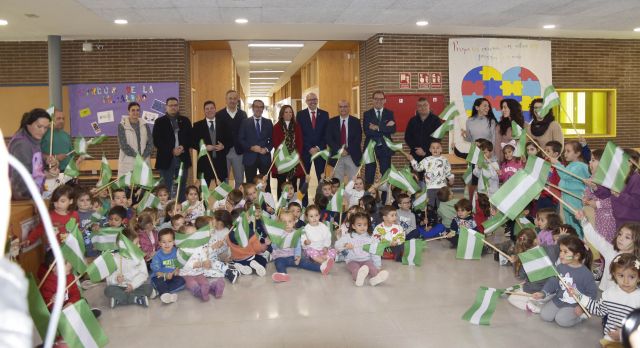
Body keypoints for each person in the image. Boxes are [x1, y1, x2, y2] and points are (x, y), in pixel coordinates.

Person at [574, 253, 640, 346]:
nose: (626, 281)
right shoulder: (609, 294)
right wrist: (579, 296)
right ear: (614, 275)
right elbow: (599, 310)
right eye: (621, 275)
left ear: (638, 278)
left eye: (631, 277)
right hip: (612, 336)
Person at [532, 235, 597, 328]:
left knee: (561, 320)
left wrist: (582, 307)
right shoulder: (560, 267)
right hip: (559, 299)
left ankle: (581, 317)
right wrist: (543, 293)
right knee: (545, 315)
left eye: (565, 252)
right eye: (561, 251)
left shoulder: (586, 274)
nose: (561, 254)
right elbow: (553, 282)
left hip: (575, 304)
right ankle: (561, 310)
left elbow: (592, 293)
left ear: (577, 255)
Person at [9, 108, 55, 200]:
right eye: (39, 126)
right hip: (23, 197)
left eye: (46, 128)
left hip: (33, 193)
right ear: (28, 124)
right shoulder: (22, 144)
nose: (42, 131)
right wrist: (46, 175)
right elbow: (21, 176)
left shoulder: (33, 138)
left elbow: (34, 165)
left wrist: (46, 163)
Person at [152, 97, 192, 202]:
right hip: (166, 158)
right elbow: (157, 141)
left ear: (178, 107)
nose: (173, 107)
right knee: (165, 187)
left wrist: (183, 146)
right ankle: (165, 211)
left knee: (182, 185)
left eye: (175, 105)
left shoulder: (185, 120)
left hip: (182, 157)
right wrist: (172, 150)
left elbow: (190, 138)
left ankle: (180, 209)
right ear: (166, 107)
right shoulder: (160, 122)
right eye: (171, 105)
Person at [335, 212, 389, 287]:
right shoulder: (348, 236)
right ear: (353, 226)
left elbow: (375, 252)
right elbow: (337, 245)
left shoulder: (370, 238)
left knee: (373, 269)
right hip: (352, 260)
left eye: (365, 225)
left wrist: (378, 267)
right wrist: (345, 245)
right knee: (355, 270)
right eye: (359, 225)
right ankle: (358, 279)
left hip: (367, 260)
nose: (362, 227)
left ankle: (375, 279)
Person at [549, 140, 590, 237]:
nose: (565, 154)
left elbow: (566, 176)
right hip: (567, 200)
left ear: (577, 153)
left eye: (568, 151)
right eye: (565, 151)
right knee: (570, 226)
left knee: (579, 224)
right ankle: (574, 241)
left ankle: (582, 243)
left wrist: (557, 164)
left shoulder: (581, 166)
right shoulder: (570, 165)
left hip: (576, 200)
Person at [105, 230, 152, 308]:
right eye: (137, 243)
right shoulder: (114, 258)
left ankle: (120, 299)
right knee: (108, 290)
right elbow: (108, 278)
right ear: (125, 246)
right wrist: (116, 279)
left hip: (136, 286)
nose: (139, 245)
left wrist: (133, 285)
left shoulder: (139, 258)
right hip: (119, 287)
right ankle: (135, 298)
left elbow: (143, 275)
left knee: (148, 287)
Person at [297, 92, 329, 198]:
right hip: (306, 152)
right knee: (304, 179)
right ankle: (302, 202)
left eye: (314, 99)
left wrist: (318, 147)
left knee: (322, 178)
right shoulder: (300, 115)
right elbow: (300, 134)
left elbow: (326, 134)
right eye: (310, 100)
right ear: (306, 102)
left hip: (320, 152)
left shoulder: (324, 114)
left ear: (317, 100)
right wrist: (309, 147)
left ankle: (321, 201)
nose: (312, 102)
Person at [192, 100, 229, 187]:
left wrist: (223, 146)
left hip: (220, 162)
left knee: (221, 190)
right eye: (207, 109)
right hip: (205, 162)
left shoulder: (224, 124)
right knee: (203, 191)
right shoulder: (197, 125)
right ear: (204, 111)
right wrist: (203, 147)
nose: (209, 110)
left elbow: (230, 140)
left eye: (211, 108)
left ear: (215, 109)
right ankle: (203, 202)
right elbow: (193, 142)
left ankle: (220, 201)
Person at [238, 99, 273, 192]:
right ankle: (251, 205)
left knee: (266, 183)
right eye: (256, 107)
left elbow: (272, 140)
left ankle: (267, 205)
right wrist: (251, 147)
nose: (259, 109)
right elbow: (241, 139)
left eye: (261, 107)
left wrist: (266, 149)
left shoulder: (268, 122)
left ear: (263, 109)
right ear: (253, 108)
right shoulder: (245, 122)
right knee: (250, 184)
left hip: (264, 157)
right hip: (250, 157)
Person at [363, 91, 396, 188]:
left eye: (381, 99)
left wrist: (377, 127)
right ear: (372, 100)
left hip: (385, 148)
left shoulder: (389, 113)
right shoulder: (367, 114)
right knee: (369, 175)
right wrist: (385, 127)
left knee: (385, 175)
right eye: (376, 99)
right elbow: (367, 131)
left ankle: (384, 200)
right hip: (370, 148)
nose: (379, 101)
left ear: (384, 100)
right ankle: (368, 198)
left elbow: (393, 129)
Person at [216, 90, 248, 188]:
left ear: (237, 100)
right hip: (223, 151)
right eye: (230, 98)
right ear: (226, 99)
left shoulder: (243, 114)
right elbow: (216, 133)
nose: (232, 101)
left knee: (239, 179)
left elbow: (245, 132)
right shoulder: (219, 114)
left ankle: (237, 200)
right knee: (223, 178)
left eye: (234, 98)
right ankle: (225, 201)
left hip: (238, 151)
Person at [404, 97, 442, 180]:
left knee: (430, 179)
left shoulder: (436, 120)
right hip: (415, 154)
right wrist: (416, 149)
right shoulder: (412, 120)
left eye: (425, 105)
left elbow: (438, 138)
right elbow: (407, 137)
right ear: (417, 108)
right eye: (420, 106)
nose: (422, 107)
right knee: (414, 180)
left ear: (429, 106)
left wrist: (425, 150)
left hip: (431, 154)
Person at [271, 105, 304, 196]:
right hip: (281, 159)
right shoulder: (276, 127)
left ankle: (293, 205)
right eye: (286, 112)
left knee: (293, 184)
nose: (289, 114)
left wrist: (296, 155)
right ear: (282, 114)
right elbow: (275, 143)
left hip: (293, 159)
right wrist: (285, 155)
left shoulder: (297, 126)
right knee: (281, 184)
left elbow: (300, 142)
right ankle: (280, 206)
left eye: (290, 112)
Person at [327, 100, 363, 182]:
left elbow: (358, 139)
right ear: (338, 108)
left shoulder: (356, 121)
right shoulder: (331, 121)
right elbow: (329, 139)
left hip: (352, 155)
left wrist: (347, 151)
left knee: (353, 182)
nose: (343, 109)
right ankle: (339, 195)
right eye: (341, 107)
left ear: (349, 108)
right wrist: (339, 150)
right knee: (337, 182)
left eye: (345, 106)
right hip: (337, 156)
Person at [150, 228, 186, 304]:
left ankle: (161, 292)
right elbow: (156, 271)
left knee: (182, 281)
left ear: (174, 242)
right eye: (163, 242)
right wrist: (165, 275)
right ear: (159, 243)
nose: (167, 244)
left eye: (170, 241)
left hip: (172, 276)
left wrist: (177, 269)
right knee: (158, 281)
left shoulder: (176, 251)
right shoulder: (157, 255)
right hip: (160, 276)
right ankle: (164, 293)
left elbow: (179, 263)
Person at [117, 102, 153, 176]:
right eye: (133, 110)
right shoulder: (122, 126)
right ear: (128, 111)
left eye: (137, 110)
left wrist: (143, 156)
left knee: (143, 186)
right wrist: (137, 157)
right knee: (128, 186)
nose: (135, 112)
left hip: (144, 160)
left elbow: (150, 143)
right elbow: (123, 145)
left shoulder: (145, 125)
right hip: (128, 162)